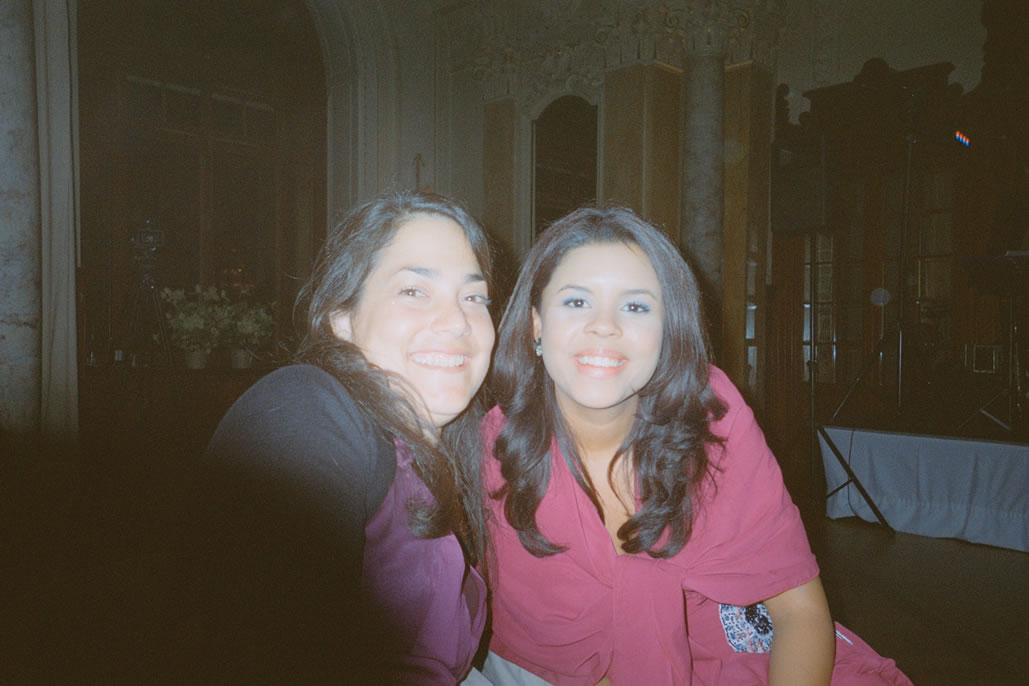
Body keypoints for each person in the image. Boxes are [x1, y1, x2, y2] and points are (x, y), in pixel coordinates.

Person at [479, 206, 912, 686]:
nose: (605, 326)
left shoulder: (712, 420)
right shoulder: (490, 454)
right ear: (537, 324)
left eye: (636, 307)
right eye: (577, 301)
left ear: (668, 330)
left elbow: (799, 612)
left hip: (730, 662)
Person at [166, 189, 497, 684]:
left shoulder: (450, 452)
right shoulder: (304, 409)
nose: (457, 321)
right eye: (413, 291)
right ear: (341, 318)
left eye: (474, 297)